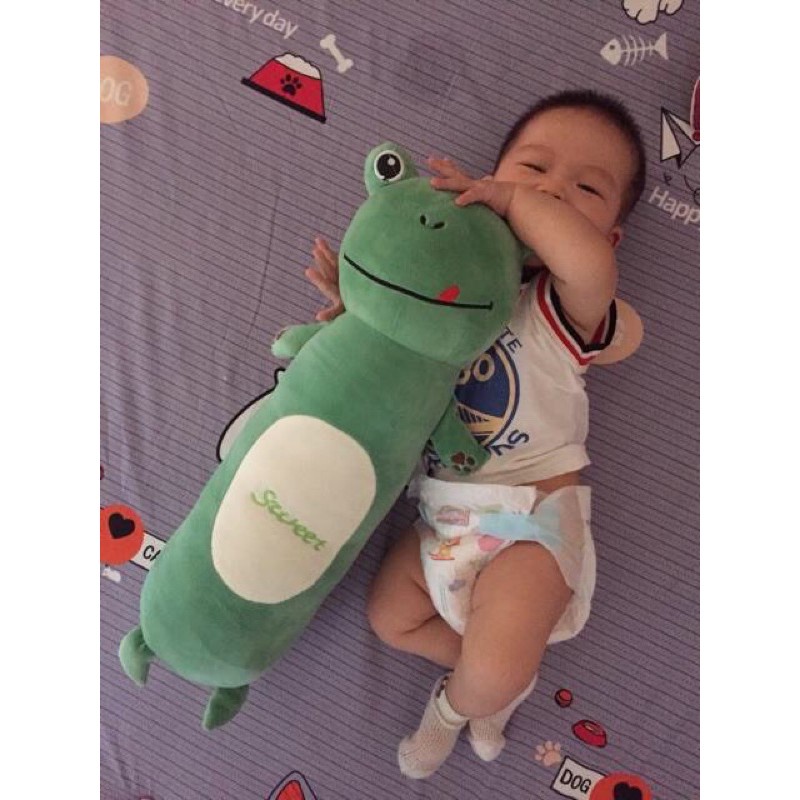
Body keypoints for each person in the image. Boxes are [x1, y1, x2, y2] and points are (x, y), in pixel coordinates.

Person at [305, 90, 647, 778]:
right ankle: (497, 679)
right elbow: (387, 358)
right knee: (390, 618)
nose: (552, 189)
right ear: (489, 176)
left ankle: (459, 704)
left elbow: (587, 267)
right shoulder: (449, 293)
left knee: (492, 667)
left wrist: (518, 200)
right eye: (533, 168)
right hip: (438, 521)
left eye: (585, 189)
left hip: (531, 525)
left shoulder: (562, 306)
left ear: (609, 234)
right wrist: (366, 311)